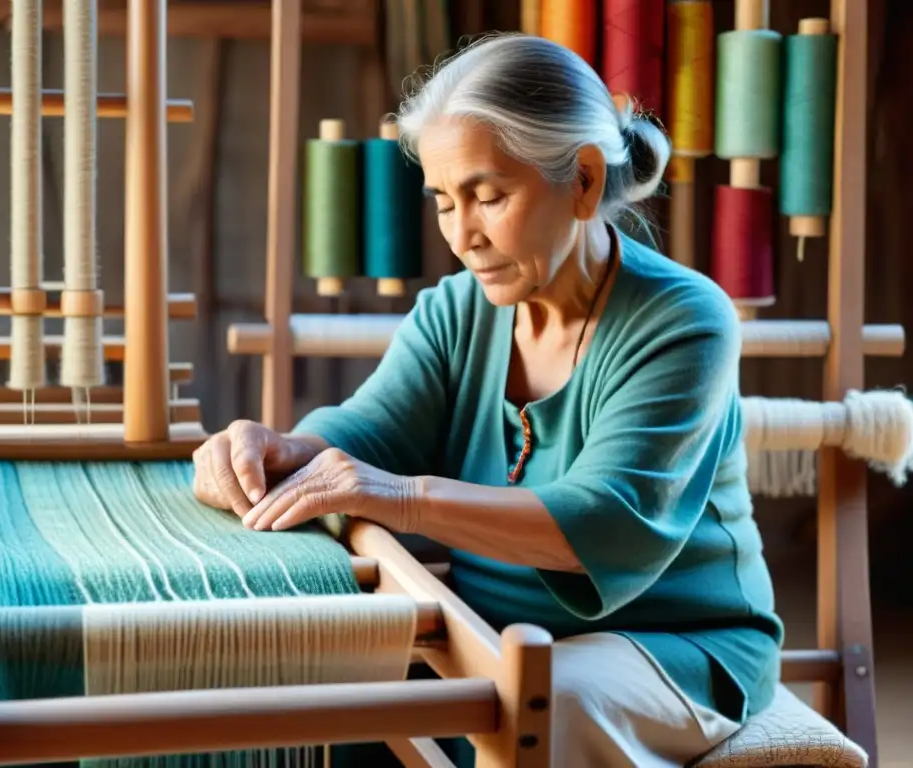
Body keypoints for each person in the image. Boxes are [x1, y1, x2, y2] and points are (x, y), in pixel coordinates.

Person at [192, 33, 784, 768]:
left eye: (488, 196)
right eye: (444, 202)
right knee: (325, 700)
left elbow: (603, 521)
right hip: (492, 631)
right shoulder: (458, 312)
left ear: (585, 182)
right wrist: (278, 449)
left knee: (543, 708)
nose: (462, 236)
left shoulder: (685, 320)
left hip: (675, 644)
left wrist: (398, 497)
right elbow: (369, 433)